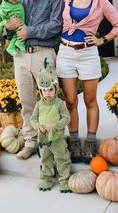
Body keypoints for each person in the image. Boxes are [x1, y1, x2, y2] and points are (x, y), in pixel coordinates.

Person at [56, 0, 118, 164]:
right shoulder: (67, 1)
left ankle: (90, 142)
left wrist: (102, 40)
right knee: (70, 101)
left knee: (90, 101)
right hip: (66, 53)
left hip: (88, 55)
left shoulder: (101, 1)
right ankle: (75, 141)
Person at [5, 0, 65, 159]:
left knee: (50, 100)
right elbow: (7, 27)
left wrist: (29, 31)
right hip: (21, 57)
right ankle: (30, 142)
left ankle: (52, 142)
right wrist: (8, 27)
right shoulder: (19, 0)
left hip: (44, 54)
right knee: (27, 101)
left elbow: (56, 25)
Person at [30, 58, 71, 193]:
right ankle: (47, 178)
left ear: (55, 88)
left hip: (57, 138)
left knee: (61, 158)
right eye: (44, 90)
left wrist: (54, 126)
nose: (48, 92)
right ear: (40, 91)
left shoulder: (59, 103)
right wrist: (38, 126)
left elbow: (66, 118)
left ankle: (65, 179)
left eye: (50, 89)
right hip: (43, 139)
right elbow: (33, 119)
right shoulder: (39, 105)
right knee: (45, 159)